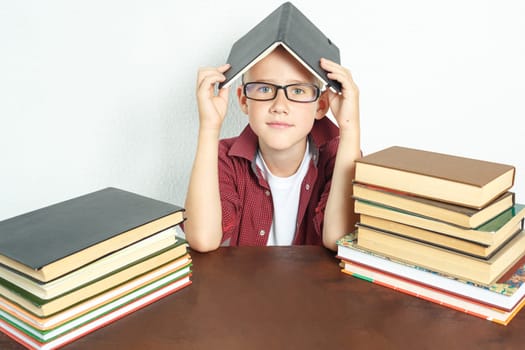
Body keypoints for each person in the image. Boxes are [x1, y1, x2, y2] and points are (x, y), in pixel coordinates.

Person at [184, 45, 360, 252]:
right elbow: (202, 239)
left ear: (320, 105)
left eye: (297, 90)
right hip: (248, 283)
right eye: (265, 89)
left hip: (315, 285)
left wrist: (350, 127)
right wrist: (209, 127)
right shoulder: (225, 159)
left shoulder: (338, 156)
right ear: (243, 100)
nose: (279, 105)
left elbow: (339, 240)